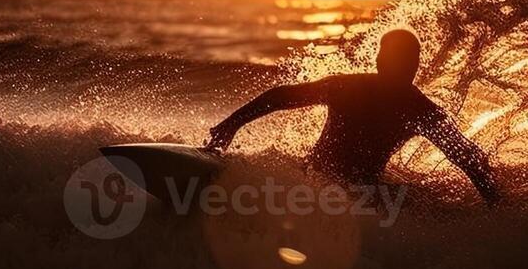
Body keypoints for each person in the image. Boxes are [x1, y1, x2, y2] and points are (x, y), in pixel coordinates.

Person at [206, 29, 501, 205]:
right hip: (312, 179)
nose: (400, 69)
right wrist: (232, 124)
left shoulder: (421, 111)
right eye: (393, 61)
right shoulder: (346, 88)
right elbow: (281, 97)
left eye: (407, 63)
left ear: (416, 66)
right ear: (379, 61)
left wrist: (496, 203)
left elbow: (468, 157)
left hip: (364, 195)